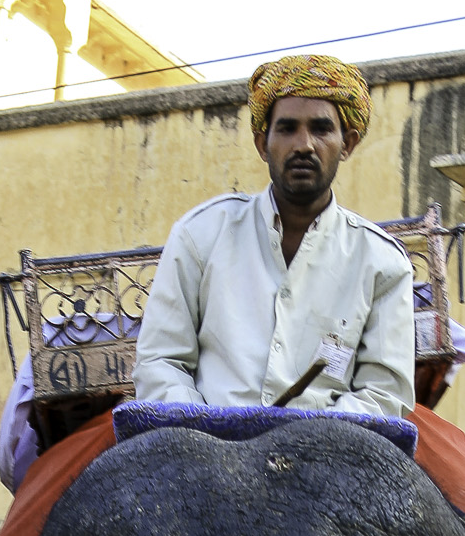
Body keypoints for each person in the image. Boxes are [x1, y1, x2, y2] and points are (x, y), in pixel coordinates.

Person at [133, 53, 414, 418]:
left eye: (321, 129)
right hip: (204, 440)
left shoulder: (382, 262)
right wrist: (209, 430)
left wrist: (310, 437)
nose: (304, 145)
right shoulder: (200, 234)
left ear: (348, 144)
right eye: (287, 128)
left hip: (330, 445)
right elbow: (161, 362)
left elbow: (383, 393)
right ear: (261, 143)